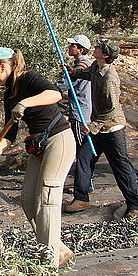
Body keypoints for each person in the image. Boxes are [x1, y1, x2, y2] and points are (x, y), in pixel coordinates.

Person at [0, 46, 76, 267]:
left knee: (47, 198)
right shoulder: (9, 95)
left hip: (59, 140)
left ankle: (48, 261)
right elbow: (8, 135)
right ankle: (58, 249)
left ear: (2, 66)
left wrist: (26, 102)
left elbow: (54, 94)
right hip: (39, 145)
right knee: (28, 199)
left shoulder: (29, 79)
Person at [63, 40, 138, 219]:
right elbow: (85, 74)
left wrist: (93, 126)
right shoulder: (95, 67)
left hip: (112, 128)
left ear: (105, 55)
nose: (95, 49)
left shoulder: (110, 79)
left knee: (121, 166)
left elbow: (111, 109)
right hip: (98, 127)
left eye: (99, 48)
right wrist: (72, 72)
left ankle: (135, 205)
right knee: (84, 158)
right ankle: (81, 198)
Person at [54, 35, 95, 214]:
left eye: (72, 46)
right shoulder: (86, 65)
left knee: (81, 152)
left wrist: (45, 89)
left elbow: (64, 85)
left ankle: (84, 189)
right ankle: (85, 184)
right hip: (85, 112)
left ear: (80, 49)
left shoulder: (81, 67)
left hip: (80, 114)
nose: (69, 48)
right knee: (83, 151)